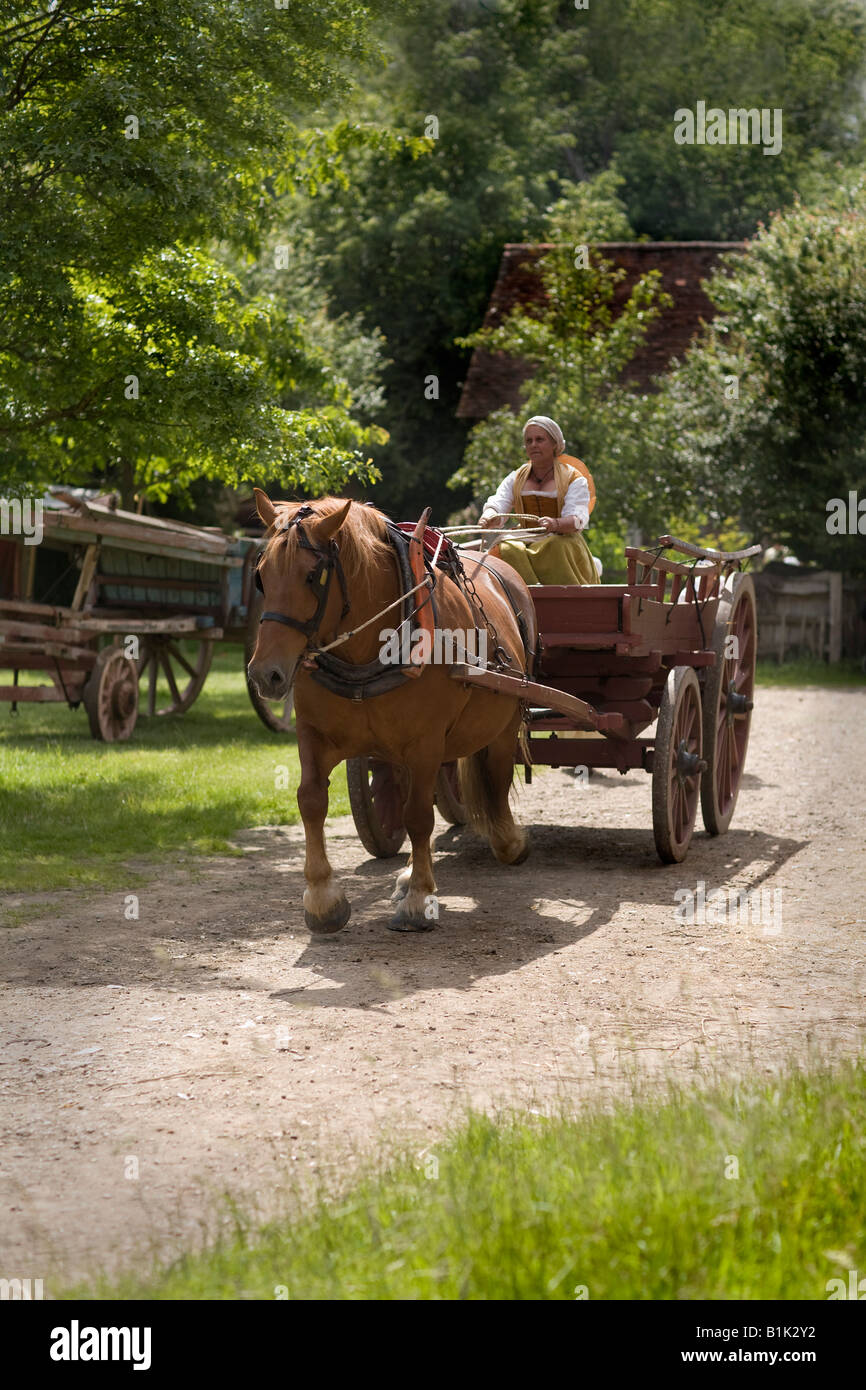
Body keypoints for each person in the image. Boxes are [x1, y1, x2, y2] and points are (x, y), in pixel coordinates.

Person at [479, 416, 600, 585]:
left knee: (554, 546)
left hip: (561, 539)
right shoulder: (516, 477)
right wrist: (490, 515)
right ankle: (518, 598)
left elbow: (577, 519)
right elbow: (499, 501)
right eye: (529, 441)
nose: (533, 444)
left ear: (554, 444)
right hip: (524, 537)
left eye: (540, 439)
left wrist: (555, 524)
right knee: (507, 547)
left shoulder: (573, 478)